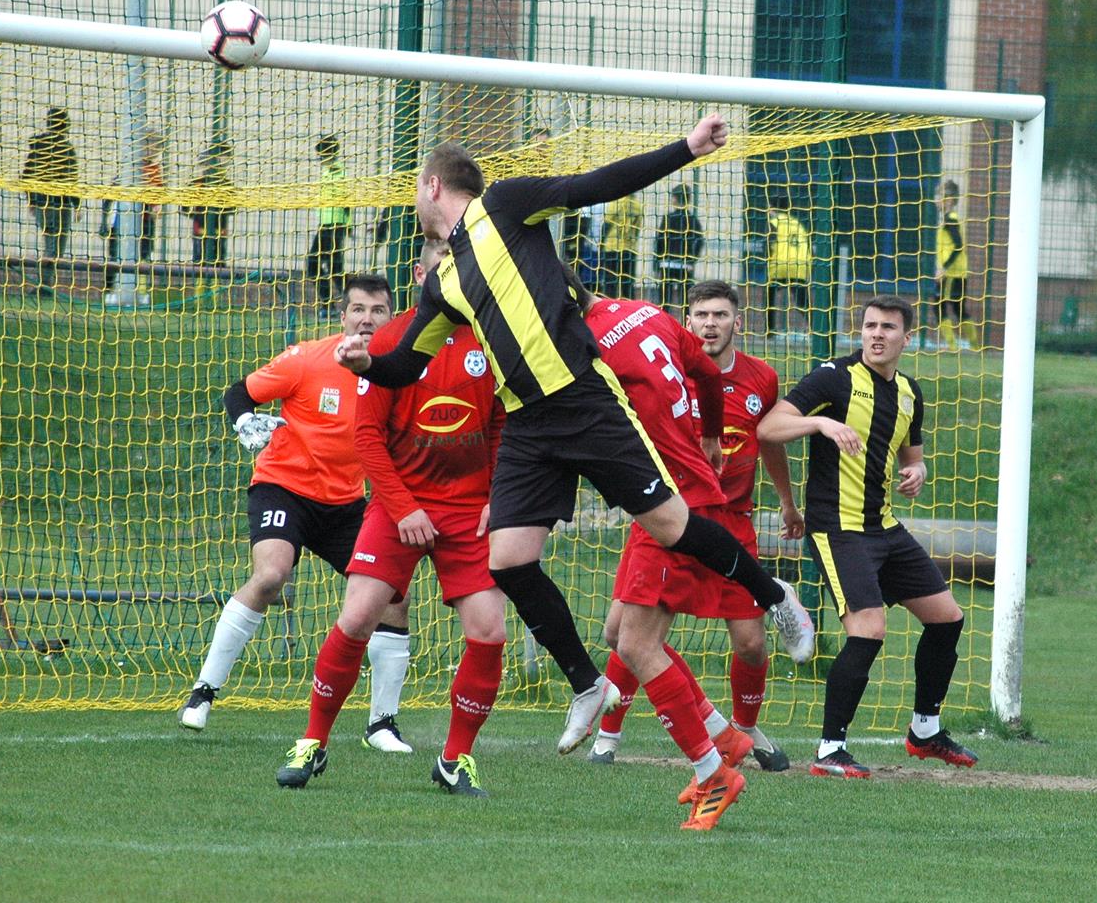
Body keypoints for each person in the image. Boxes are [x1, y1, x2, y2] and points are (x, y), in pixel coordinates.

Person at [331, 115, 814, 764]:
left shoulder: (503, 203)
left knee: (672, 525)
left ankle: (772, 593)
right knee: (507, 561)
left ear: (431, 185)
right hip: (526, 425)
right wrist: (365, 364)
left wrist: (686, 149)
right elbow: (407, 366)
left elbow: (595, 185)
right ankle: (587, 682)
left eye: (415, 192)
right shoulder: (444, 282)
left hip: (582, 400)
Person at [277, 239, 509, 797]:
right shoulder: (388, 339)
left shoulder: (494, 339)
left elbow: (506, 430)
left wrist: (497, 503)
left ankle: (456, 760)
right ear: (420, 272)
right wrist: (403, 509)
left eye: (463, 270)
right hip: (397, 503)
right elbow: (366, 436)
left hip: (469, 512)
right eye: (443, 269)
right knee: (356, 619)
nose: (454, 279)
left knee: (490, 632)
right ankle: (313, 742)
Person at [180, 274, 416, 753]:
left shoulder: (398, 371)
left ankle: (382, 725)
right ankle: (202, 693)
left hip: (347, 503)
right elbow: (238, 392)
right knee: (271, 576)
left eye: (377, 310)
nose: (367, 318)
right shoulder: (307, 359)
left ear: (391, 318)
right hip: (283, 489)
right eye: (358, 309)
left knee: (393, 595)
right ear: (342, 316)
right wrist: (245, 419)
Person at [759, 294, 978, 778]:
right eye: (870, 326)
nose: (877, 334)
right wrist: (819, 422)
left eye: (888, 327)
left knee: (947, 619)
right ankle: (829, 751)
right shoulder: (834, 377)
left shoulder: (908, 393)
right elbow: (769, 427)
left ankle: (925, 730)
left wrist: (916, 471)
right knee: (869, 629)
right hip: (838, 528)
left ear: (906, 337)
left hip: (883, 526)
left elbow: (911, 456)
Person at [589, 279, 801, 772]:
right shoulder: (665, 369)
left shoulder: (761, 379)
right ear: (687, 322)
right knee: (623, 632)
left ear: (738, 322)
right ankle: (609, 735)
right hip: (670, 517)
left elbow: (769, 442)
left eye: (721, 315)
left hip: (731, 520)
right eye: (702, 315)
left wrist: (788, 503)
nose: (710, 324)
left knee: (750, 642)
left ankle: (743, 733)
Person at [567, 270, 751, 829]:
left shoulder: (585, 347)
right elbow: (711, 376)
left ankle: (712, 770)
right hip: (670, 498)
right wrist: (714, 437)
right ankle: (721, 734)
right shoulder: (647, 313)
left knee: (638, 648)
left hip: (674, 506)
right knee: (619, 633)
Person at [22, 106, 81, 293]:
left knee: (49, 242)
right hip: (60, 204)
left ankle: (44, 283)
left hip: (41, 203)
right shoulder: (65, 148)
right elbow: (71, 178)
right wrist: (77, 205)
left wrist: (31, 199)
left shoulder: (38, 147)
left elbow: (27, 175)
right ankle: (44, 285)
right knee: (55, 247)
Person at [102, 125, 165, 296]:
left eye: (157, 147)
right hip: (122, 220)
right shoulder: (128, 167)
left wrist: (156, 206)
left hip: (145, 221)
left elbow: (158, 195)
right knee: (115, 255)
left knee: (144, 255)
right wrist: (104, 220)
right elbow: (109, 194)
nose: (155, 150)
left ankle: (141, 291)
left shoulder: (154, 170)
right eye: (153, 145)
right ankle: (110, 291)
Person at [306, 134, 351, 318]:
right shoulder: (327, 172)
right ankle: (343, 303)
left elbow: (346, 201)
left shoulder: (338, 172)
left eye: (323, 153)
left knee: (315, 264)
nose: (321, 158)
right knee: (333, 268)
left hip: (334, 226)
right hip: (325, 225)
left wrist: (346, 225)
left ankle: (332, 305)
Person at [934, 180, 977, 350]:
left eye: (939, 196)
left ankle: (952, 346)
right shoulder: (949, 219)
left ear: (949, 200)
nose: (936, 200)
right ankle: (974, 347)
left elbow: (958, 245)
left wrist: (944, 267)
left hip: (951, 273)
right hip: (958, 272)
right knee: (958, 309)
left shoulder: (950, 219)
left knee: (939, 306)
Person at [185, 138, 235, 275]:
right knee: (200, 266)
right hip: (201, 231)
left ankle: (213, 295)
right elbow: (185, 208)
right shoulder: (197, 183)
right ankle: (200, 293)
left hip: (220, 231)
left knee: (218, 267)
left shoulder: (226, 184)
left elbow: (233, 208)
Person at [654, 181, 702, 316]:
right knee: (686, 301)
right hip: (685, 265)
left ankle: (664, 327)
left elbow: (659, 240)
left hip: (667, 263)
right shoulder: (692, 219)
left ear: (675, 198)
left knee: (665, 301)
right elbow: (699, 241)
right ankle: (687, 327)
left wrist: (657, 260)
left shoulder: (668, 218)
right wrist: (692, 260)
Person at [766, 196, 811, 338]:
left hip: (780, 265)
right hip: (800, 266)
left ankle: (771, 330)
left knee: (770, 298)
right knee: (802, 301)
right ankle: (816, 329)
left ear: (773, 208)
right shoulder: (797, 224)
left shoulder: (773, 222)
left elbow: (769, 242)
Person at [599, 194, 642, 299]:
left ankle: (611, 309)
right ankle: (629, 309)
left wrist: (601, 243)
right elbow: (637, 229)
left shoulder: (616, 201)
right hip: (629, 249)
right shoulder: (638, 205)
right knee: (627, 284)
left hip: (612, 247)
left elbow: (607, 224)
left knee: (610, 283)